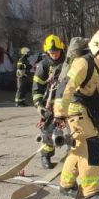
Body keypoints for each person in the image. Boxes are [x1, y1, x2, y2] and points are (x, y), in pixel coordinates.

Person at [54, 29, 99, 199]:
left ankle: (66, 185)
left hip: (88, 111)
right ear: (96, 48)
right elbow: (66, 87)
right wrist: (59, 112)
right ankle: (91, 192)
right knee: (90, 146)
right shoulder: (83, 63)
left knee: (80, 147)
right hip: (75, 109)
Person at [32, 34, 66, 169]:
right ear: (47, 52)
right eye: (51, 52)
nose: (54, 55)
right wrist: (39, 106)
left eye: (56, 52)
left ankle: (75, 158)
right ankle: (45, 156)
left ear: (61, 50)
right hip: (49, 104)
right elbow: (36, 89)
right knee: (47, 131)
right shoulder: (43, 65)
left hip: (66, 102)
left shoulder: (67, 63)